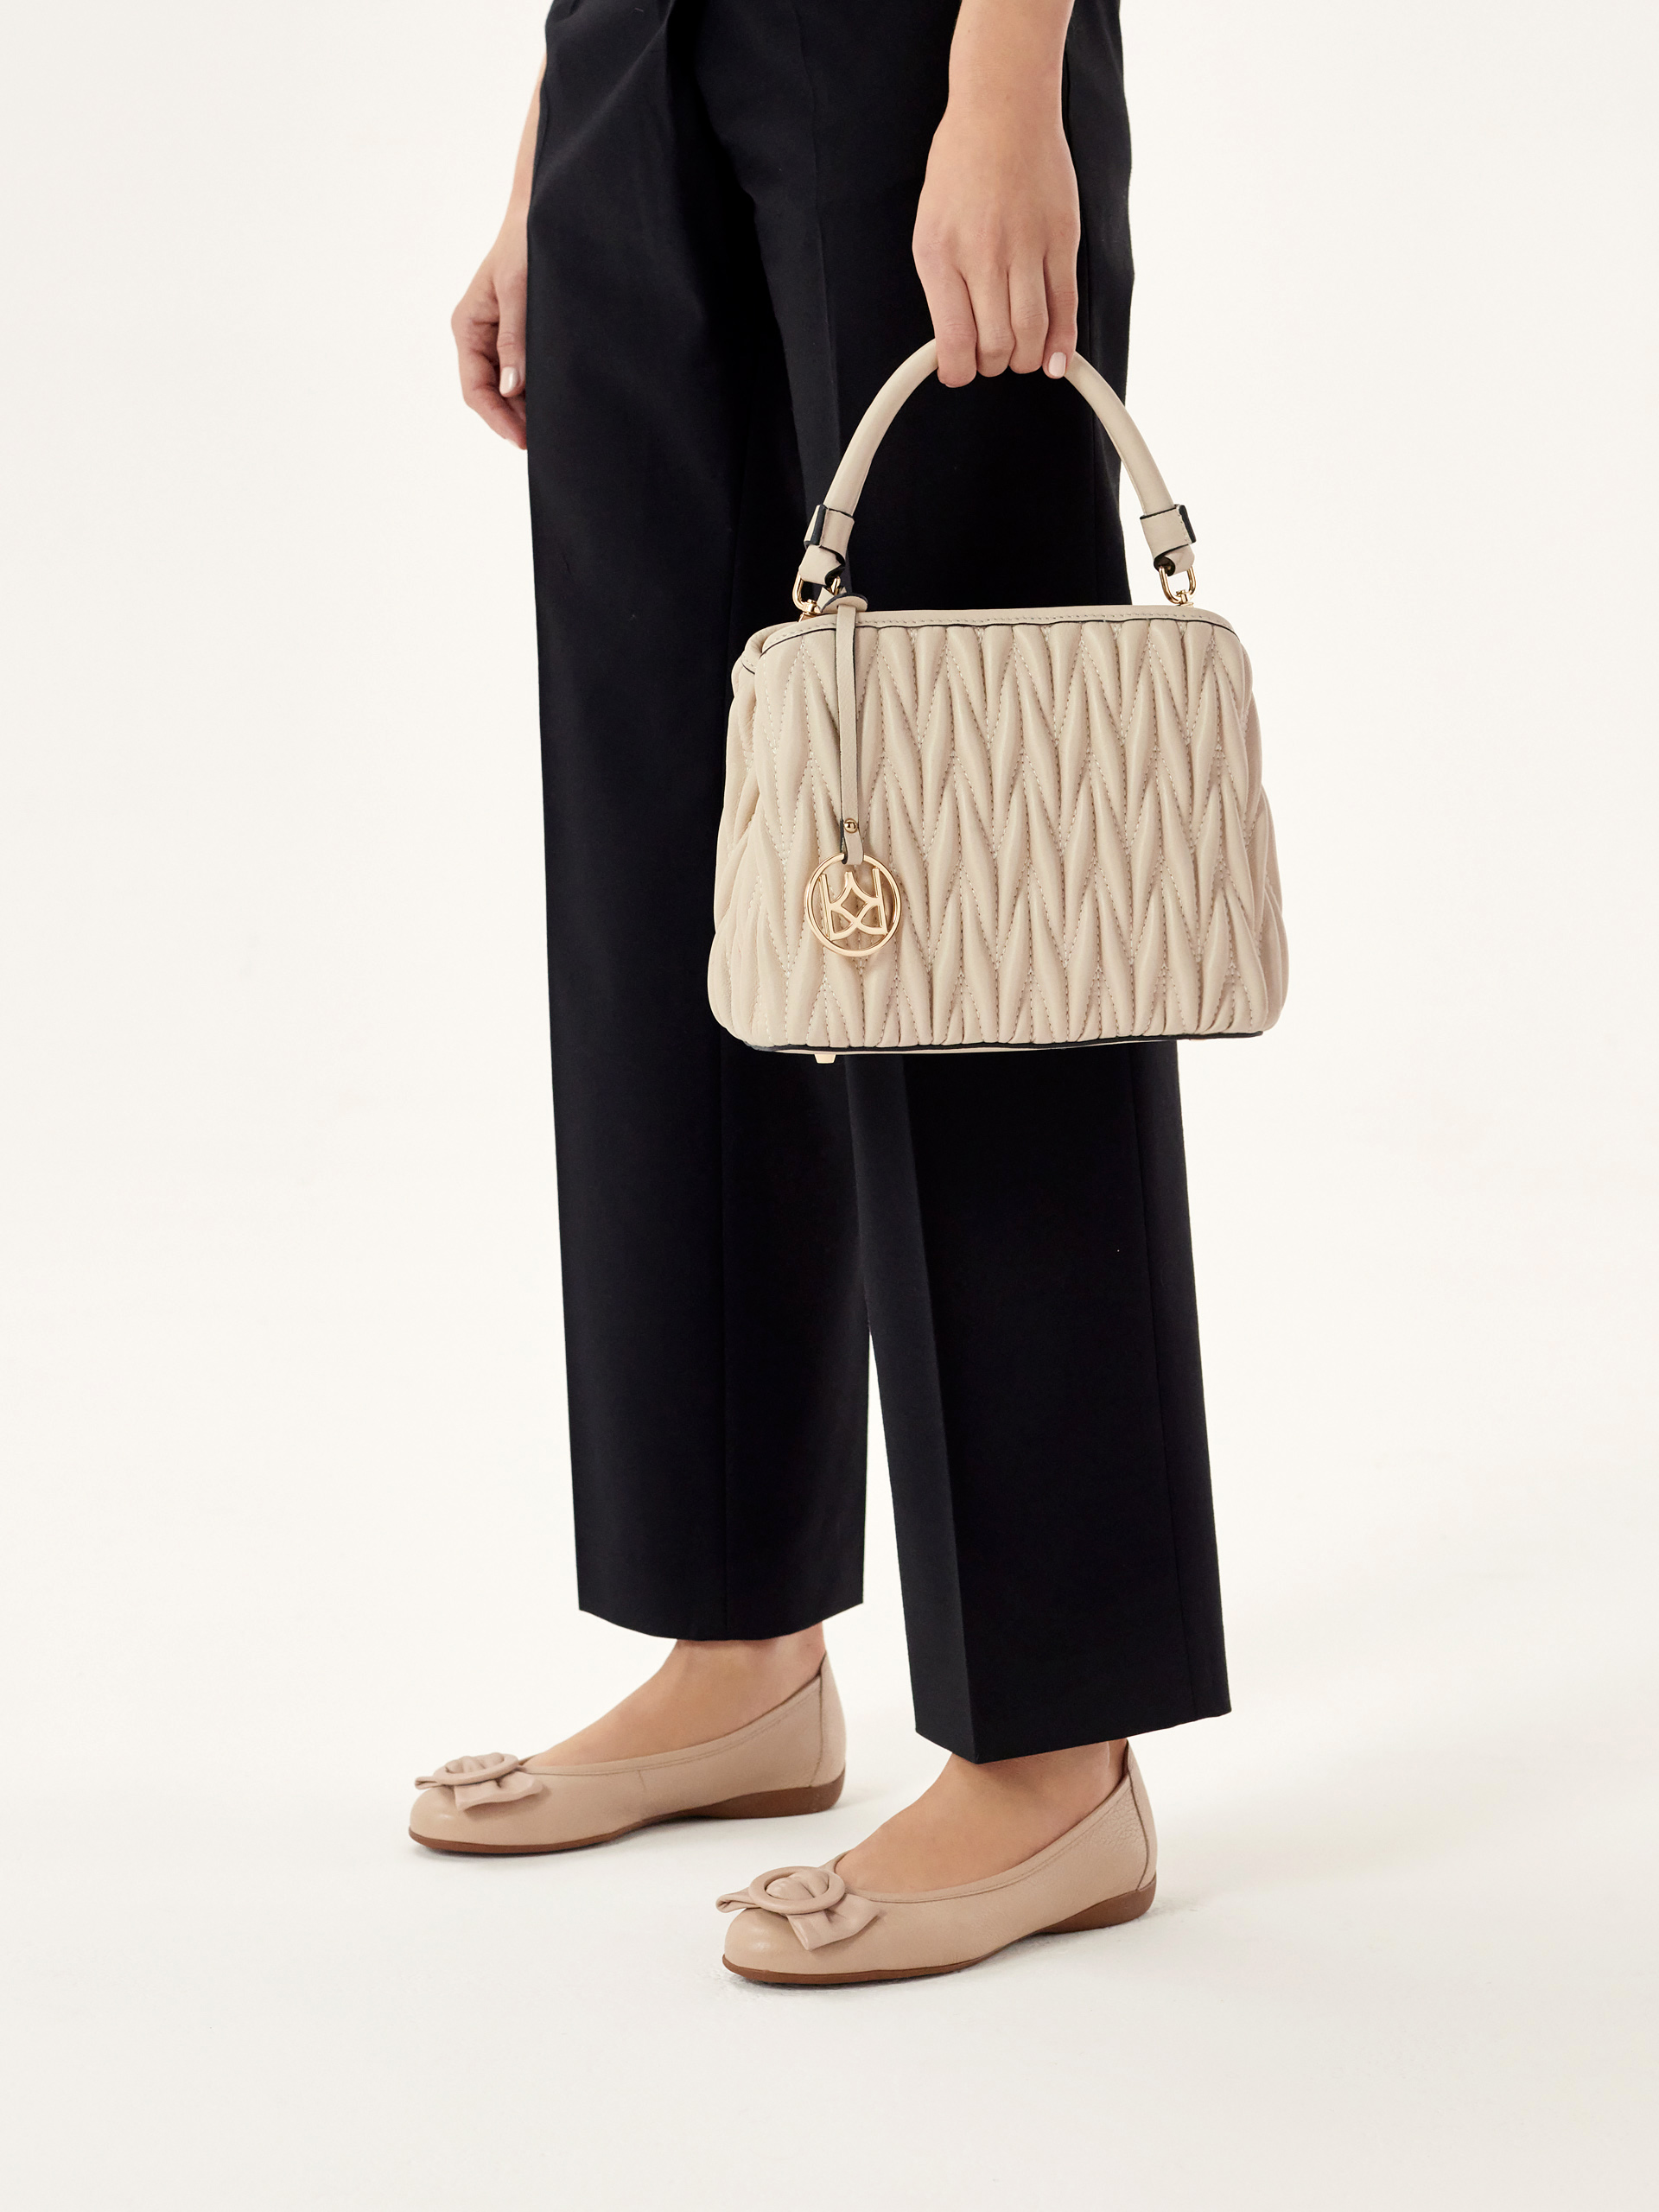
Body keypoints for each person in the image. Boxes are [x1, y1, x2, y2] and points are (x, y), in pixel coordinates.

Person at [410, 0, 1229, 1986]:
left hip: (918, 46)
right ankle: (737, 1646)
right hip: (628, 64)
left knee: (972, 851)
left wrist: (1007, 81)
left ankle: (1056, 1747)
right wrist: (554, 140)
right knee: (674, 843)